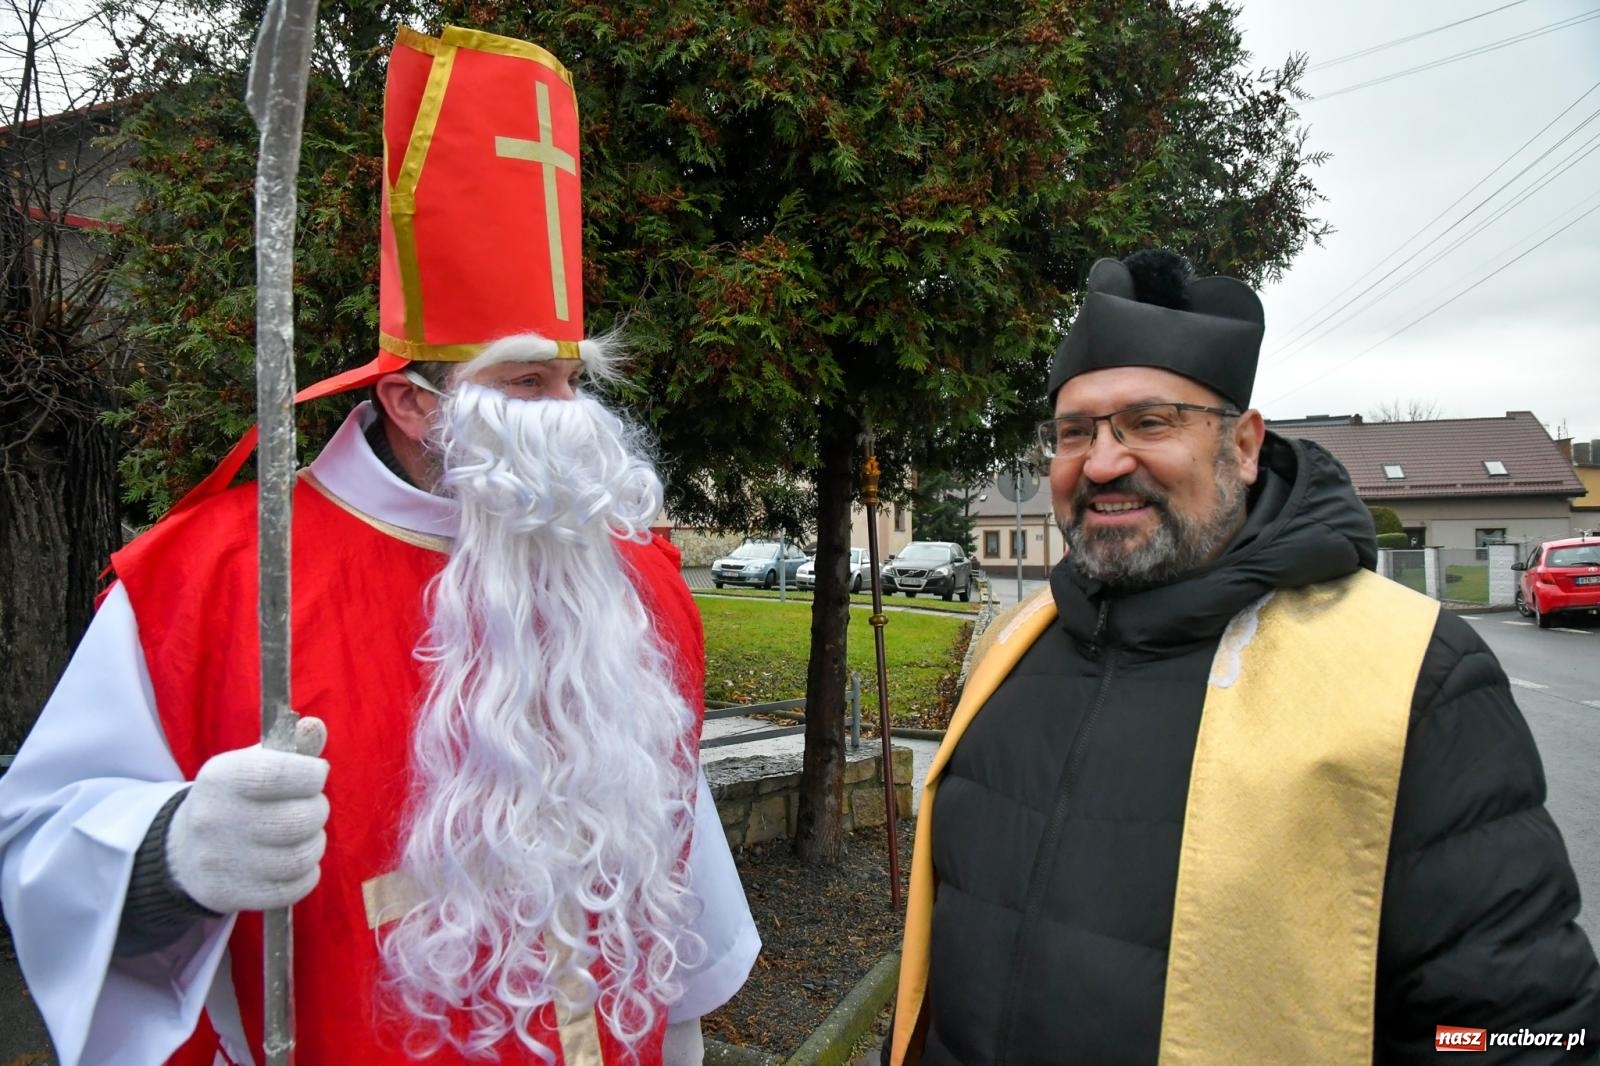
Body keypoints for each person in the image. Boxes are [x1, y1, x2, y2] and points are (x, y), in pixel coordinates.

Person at [0, 25, 757, 1066]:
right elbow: (38, 839)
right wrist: (167, 854)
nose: (570, 417)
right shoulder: (216, 580)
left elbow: (666, 851)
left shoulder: (628, 581)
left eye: (573, 380)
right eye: (526, 384)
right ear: (411, 399)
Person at [887, 250, 1599, 1064]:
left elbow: (1519, 1034)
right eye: (1073, 432)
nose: (1103, 461)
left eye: (1149, 423)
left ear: (1247, 445)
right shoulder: (1012, 647)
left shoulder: (1413, 675)